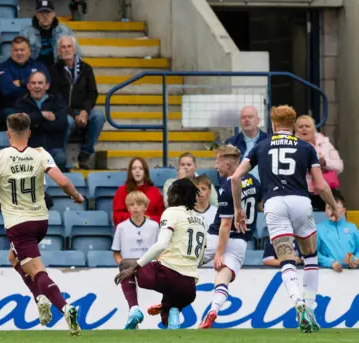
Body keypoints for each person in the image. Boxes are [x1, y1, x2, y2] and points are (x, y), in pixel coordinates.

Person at [230, 105, 340, 334]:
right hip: (300, 201)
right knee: (310, 255)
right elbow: (320, 185)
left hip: (274, 203)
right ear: (292, 126)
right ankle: (310, 308)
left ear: (273, 124)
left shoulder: (261, 146)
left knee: (286, 257)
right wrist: (332, 204)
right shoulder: (306, 147)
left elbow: (235, 177)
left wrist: (239, 208)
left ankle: (297, 301)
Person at [0, 113, 84, 336]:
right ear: (29, 133)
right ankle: (40, 298)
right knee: (13, 257)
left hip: (19, 224)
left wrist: (0, 191)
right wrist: (76, 196)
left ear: (8, 134)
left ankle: (66, 308)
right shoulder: (40, 154)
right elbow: (63, 181)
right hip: (41, 221)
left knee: (37, 271)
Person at [115, 178, 207, 330]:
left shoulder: (171, 212)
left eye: (170, 193)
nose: (168, 197)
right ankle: (172, 313)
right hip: (189, 288)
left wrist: (135, 267)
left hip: (169, 274)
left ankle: (134, 310)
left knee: (125, 264)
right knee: (168, 312)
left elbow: (161, 244)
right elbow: (201, 256)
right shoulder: (201, 219)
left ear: (177, 195)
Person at [197, 144, 261, 329]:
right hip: (241, 241)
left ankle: (169, 304)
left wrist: (219, 253)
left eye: (217, 162)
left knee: (184, 263)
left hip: (218, 238)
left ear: (227, 163)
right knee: (222, 279)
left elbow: (225, 225)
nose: (216, 166)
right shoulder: (254, 183)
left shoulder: (227, 186)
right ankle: (214, 310)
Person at [50, 35, 104, 169]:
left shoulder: (86, 69)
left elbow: (92, 93)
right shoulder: (53, 70)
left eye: (69, 46)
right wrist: (75, 116)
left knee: (98, 116)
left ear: (74, 49)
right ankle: (60, 157)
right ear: (58, 51)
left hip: (83, 110)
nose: (66, 49)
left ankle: (85, 154)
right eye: (63, 47)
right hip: (64, 112)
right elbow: (55, 97)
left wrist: (85, 112)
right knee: (67, 121)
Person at [111, 191, 159, 329]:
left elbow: (160, 250)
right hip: (129, 267)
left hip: (148, 266)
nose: (135, 207)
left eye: (139, 204)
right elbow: (116, 253)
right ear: (127, 208)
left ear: (146, 207)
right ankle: (134, 312)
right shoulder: (121, 227)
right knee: (126, 267)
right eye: (132, 204)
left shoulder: (154, 226)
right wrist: (121, 264)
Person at [14, 71, 68, 171]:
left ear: (47, 86)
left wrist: (33, 121)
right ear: (28, 86)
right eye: (33, 83)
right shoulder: (21, 102)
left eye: (40, 83)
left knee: (61, 158)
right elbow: (19, 124)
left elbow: (62, 124)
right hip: (30, 148)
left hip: (53, 148)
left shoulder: (57, 100)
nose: (36, 86)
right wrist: (43, 115)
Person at [295, 115, 343, 211]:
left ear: (313, 128)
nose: (304, 129)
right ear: (296, 129)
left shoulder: (325, 143)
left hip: (324, 190)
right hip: (301, 192)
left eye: (307, 126)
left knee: (338, 204)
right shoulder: (291, 145)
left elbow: (339, 166)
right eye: (300, 127)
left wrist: (324, 163)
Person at [0, 36, 50, 119]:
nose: (19, 53)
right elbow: (7, 90)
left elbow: (47, 84)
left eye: (22, 50)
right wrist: (34, 87)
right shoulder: (2, 67)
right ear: (11, 51)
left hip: (36, 107)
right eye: (16, 50)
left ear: (29, 51)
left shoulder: (39, 66)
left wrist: (22, 82)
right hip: (11, 108)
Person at [20, 0, 81, 67]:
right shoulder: (26, 32)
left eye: (48, 12)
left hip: (58, 71)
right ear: (36, 15)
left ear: (54, 14)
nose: (45, 16)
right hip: (34, 72)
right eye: (41, 12)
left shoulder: (65, 31)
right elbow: (19, 55)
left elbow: (76, 53)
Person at [316, 190, 359, 273]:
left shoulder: (352, 227)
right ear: (325, 210)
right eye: (329, 208)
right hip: (328, 272)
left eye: (336, 208)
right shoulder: (319, 228)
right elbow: (314, 254)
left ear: (344, 211)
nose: (332, 211)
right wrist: (330, 263)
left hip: (351, 273)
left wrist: (356, 259)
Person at [112, 157, 165, 225]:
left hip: (150, 230)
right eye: (134, 168)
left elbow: (162, 218)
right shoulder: (121, 191)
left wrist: (149, 219)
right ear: (130, 172)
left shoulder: (155, 192)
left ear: (145, 172)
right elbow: (117, 216)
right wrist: (136, 218)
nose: (137, 171)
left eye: (141, 168)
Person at [224, 106, 268, 181]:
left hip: (265, 189)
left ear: (258, 120)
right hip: (240, 189)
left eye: (250, 117)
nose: (246, 120)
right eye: (243, 117)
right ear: (240, 121)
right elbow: (223, 169)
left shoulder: (268, 140)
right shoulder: (232, 143)